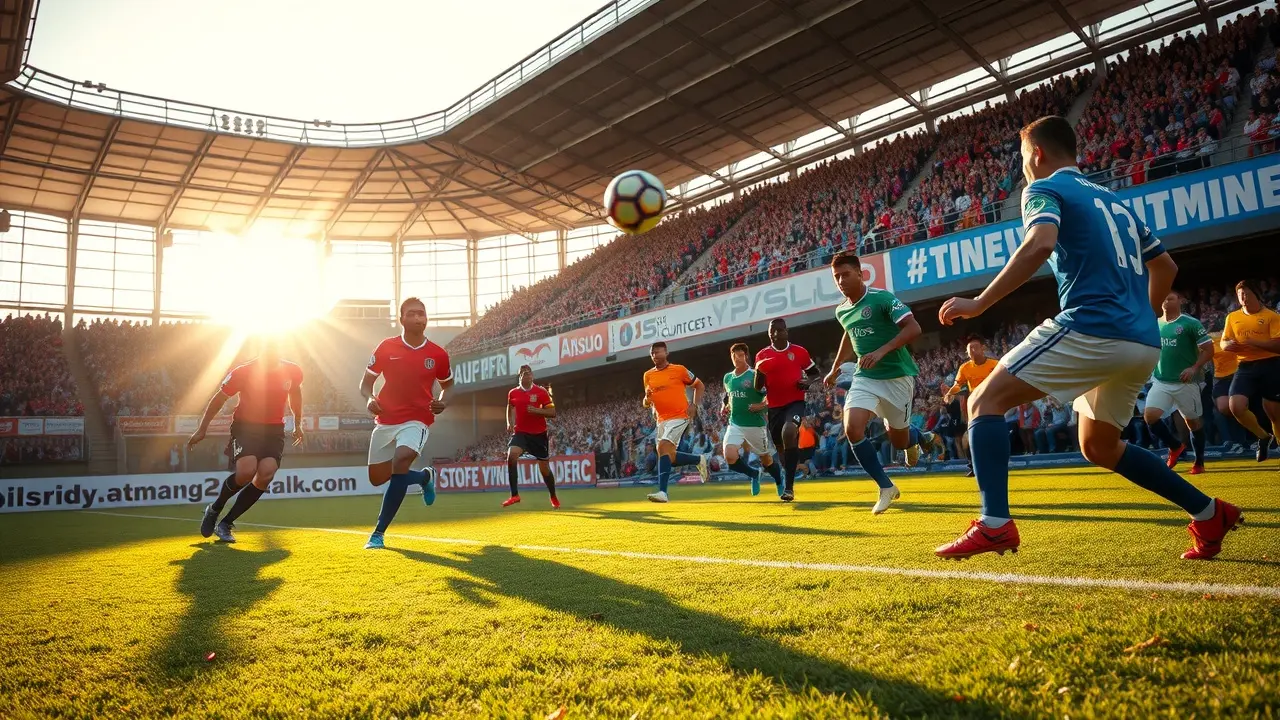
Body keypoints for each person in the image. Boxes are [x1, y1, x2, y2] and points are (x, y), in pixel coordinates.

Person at [936, 115, 1241, 561]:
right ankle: (1209, 512)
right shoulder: (1116, 202)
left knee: (983, 400)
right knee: (1098, 445)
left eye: (1023, 158)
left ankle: (994, 523)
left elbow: (1040, 243)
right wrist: (1140, 314)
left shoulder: (1043, 189)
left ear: (1037, 153)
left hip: (1092, 325)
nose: (1023, 168)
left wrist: (980, 303)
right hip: (1140, 340)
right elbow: (1167, 269)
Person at [822, 251, 941, 514]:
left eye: (845, 274)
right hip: (865, 378)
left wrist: (881, 351)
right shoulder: (842, 310)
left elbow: (914, 328)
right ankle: (886, 487)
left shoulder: (882, 299)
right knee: (852, 428)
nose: (841, 281)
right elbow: (848, 335)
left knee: (898, 440)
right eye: (836, 277)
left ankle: (918, 437)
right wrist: (833, 370)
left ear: (860, 273)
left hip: (898, 377)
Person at [360, 297, 452, 550]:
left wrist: (443, 400)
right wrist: (369, 398)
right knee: (378, 478)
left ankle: (378, 533)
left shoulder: (438, 354)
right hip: (386, 419)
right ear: (401, 319)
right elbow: (366, 383)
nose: (418, 318)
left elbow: (449, 385)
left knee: (400, 461)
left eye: (422, 314)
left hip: (418, 418)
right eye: (411, 314)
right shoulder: (386, 347)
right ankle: (424, 477)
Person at [192, 338, 304, 543]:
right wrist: (202, 429)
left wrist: (298, 423)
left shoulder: (292, 371)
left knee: (266, 473)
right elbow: (219, 399)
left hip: (274, 429)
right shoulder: (242, 372)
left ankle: (226, 523)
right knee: (246, 471)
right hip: (246, 427)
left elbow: (295, 394)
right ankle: (215, 508)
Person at [1144, 291, 1214, 474]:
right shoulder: (1154, 324)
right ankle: (1175, 447)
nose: (1166, 301)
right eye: (1164, 298)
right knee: (1150, 416)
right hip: (1161, 381)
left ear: (1180, 301)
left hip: (1186, 382)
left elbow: (1208, 349)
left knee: (1193, 423)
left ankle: (1199, 462)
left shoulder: (1190, 323)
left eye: (1171, 298)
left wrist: (1194, 368)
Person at [754, 318, 821, 501]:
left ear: (786, 331)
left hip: (795, 403)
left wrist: (807, 382)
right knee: (780, 447)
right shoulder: (762, 355)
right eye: (771, 332)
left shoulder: (799, 352)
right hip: (774, 407)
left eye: (779, 330)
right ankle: (787, 476)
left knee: (789, 431)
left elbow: (815, 374)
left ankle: (789, 488)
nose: (775, 334)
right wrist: (760, 371)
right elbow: (758, 388)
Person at [1221, 280, 1280, 461]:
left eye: (1246, 294)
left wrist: (1253, 342)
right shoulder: (1232, 317)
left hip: (1271, 364)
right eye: (1240, 295)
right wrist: (1227, 345)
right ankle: (1263, 436)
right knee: (1235, 407)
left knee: (1275, 414)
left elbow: (1278, 345)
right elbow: (1224, 341)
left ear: (1256, 295)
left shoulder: (1272, 316)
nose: (1243, 298)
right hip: (1245, 366)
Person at [642, 341, 708, 503]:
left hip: (680, 415)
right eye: (652, 353)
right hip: (661, 420)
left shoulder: (679, 370)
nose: (655, 355)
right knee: (668, 456)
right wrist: (647, 399)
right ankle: (698, 460)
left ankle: (663, 492)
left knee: (662, 447)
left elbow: (699, 386)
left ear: (666, 353)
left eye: (658, 352)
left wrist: (694, 404)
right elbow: (646, 402)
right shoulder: (648, 375)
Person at [720, 342, 784, 496]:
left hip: (755, 425)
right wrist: (724, 406)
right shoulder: (728, 377)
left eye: (740, 355)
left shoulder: (756, 375)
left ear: (746, 356)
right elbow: (728, 395)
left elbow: (772, 395)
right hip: (735, 423)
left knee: (766, 460)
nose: (737, 358)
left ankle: (779, 480)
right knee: (729, 456)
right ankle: (754, 474)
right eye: (733, 355)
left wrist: (761, 406)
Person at [502, 364, 559, 509]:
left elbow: (552, 413)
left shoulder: (541, 392)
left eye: (529, 372)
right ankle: (514, 495)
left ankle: (553, 496)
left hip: (539, 435)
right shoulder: (513, 393)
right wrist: (509, 422)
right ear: (519, 376)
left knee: (544, 469)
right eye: (523, 373)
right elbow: (509, 406)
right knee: (511, 455)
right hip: (521, 433)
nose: (526, 374)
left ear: (532, 375)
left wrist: (536, 411)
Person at [943, 336, 998, 475]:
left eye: (975, 347)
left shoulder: (995, 365)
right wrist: (949, 393)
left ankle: (996, 463)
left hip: (993, 402)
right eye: (969, 349)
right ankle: (974, 466)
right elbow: (958, 385)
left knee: (992, 436)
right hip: (975, 404)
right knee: (971, 437)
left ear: (983, 348)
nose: (972, 351)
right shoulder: (965, 367)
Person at [1209, 330, 1247, 454]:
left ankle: (1242, 441)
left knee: (1238, 408)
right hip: (1219, 378)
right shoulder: (1207, 340)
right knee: (1223, 408)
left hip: (1238, 374)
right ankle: (1229, 441)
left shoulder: (1235, 336)